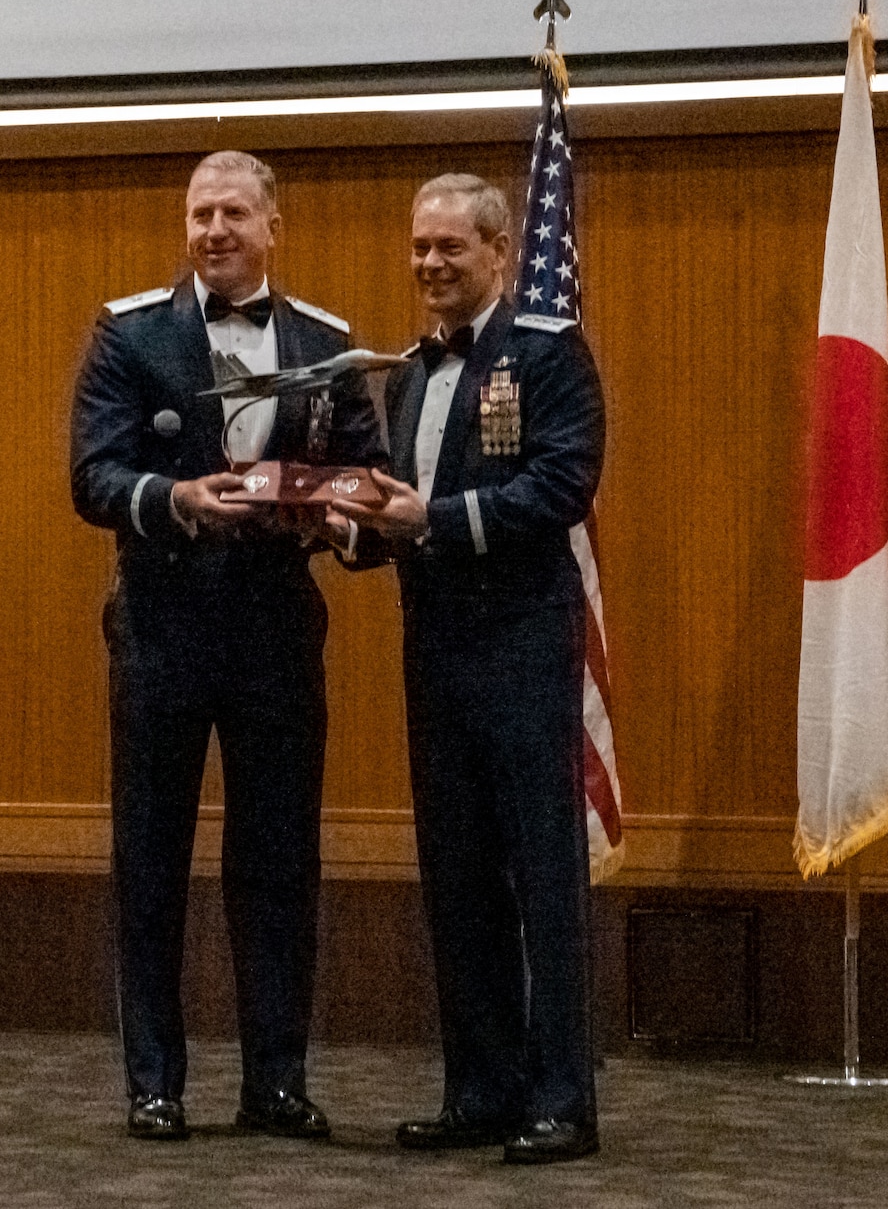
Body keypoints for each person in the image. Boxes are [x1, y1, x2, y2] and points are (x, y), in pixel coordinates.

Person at [69, 150, 383, 1141]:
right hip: (161, 630)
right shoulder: (127, 334)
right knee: (151, 859)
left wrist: (336, 516)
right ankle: (153, 1084)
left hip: (275, 635)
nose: (214, 230)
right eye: (200, 213)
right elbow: (91, 476)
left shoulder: (328, 343)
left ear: (271, 226)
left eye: (233, 214)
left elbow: (369, 484)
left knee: (279, 861)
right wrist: (172, 499)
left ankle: (275, 1082)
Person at [330, 173, 606, 1164]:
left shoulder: (547, 354)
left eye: (450, 247)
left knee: (543, 878)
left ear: (498, 252)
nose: (430, 265)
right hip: (435, 653)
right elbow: (405, 509)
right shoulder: (405, 372)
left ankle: (561, 1100)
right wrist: (355, 532)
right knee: (455, 880)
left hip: (524, 648)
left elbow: (560, 487)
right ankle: (479, 1089)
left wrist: (431, 521)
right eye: (418, 248)